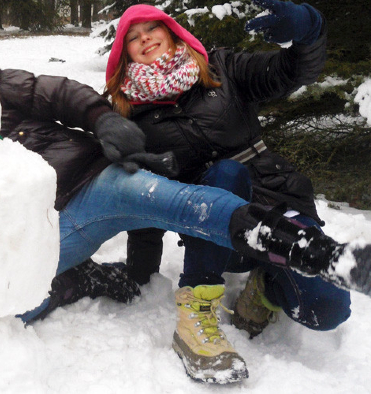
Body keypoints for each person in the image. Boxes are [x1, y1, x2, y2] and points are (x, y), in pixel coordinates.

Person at [0, 42, 371, 383]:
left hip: (94, 179)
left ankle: (318, 252)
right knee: (0, 312)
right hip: (51, 233)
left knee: (180, 202)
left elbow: (51, 91)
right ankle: (77, 281)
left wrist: (102, 120)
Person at [104, 0, 354, 383]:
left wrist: (309, 27)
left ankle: (266, 290)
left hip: (276, 203)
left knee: (326, 309)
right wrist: (142, 273)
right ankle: (195, 314)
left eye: (152, 29)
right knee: (225, 174)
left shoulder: (223, 68)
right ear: (124, 54)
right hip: (218, 236)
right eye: (133, 38)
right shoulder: (128, 116)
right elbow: (144, 194)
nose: (145, 39)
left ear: (171, 33)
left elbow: (294, 70)